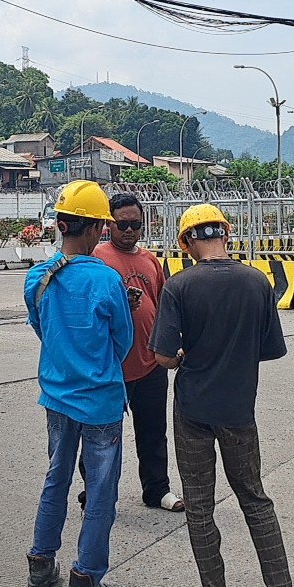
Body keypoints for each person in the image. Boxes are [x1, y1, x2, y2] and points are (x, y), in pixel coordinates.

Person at [150, 204, 294, 587]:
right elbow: (270, 349)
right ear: (226, 235)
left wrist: (184, 355)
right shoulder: (257, 281)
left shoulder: (179, 286)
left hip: (192, 410)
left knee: (199, 507)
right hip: (238, 409)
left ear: (186, 242)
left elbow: (163, 357)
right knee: (255, 498)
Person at [23, 180, 132, 587]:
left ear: (61, 225)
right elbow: (122, 341)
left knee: (57, 476)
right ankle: (85, 580)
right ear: (94, 229)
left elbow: (42, 329)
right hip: (100, 402)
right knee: (101, 491)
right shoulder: (106, 280)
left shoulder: (38, 277)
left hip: (56, 397)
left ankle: (40, 565)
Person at [93, 192, 183, 512]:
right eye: (122, 224)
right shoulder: (97, 259)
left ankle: (157, 490)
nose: (129, 230)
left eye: (135, 224)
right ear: (109, 224)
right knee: (101, 436)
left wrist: (170, 345)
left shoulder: (150, 260)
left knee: (153, 433)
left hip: (149, 364)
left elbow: (162, 306)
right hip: (111, 367)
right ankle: (97, 493)